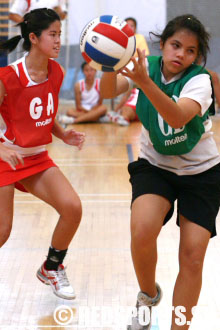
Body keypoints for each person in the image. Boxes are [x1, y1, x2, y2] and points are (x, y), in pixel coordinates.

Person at [100, 14, 220, 329]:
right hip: (156, 165)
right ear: (163, 44)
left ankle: (179, 327)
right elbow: (108, 93)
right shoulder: (144, 65)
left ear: (197, 57)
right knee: (141, 230)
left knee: (193, 257)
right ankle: (147, 296)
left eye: (190, 50)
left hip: (201, 172)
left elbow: (178, 117)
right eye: (175, 45)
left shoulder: (200, 80)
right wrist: (107, 60)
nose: (181, 54)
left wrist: (144, 82)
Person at [0, 8, 85, 300]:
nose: (59, 40)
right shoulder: (8, 76)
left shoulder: (56, 71)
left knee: (73, 208)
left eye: (60, 34)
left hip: (35, 157)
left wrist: (64, 135)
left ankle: (51, 267)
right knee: (2, 231)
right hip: (6, 158)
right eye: (53, 34)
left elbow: (45, 115)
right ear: (34, 38)